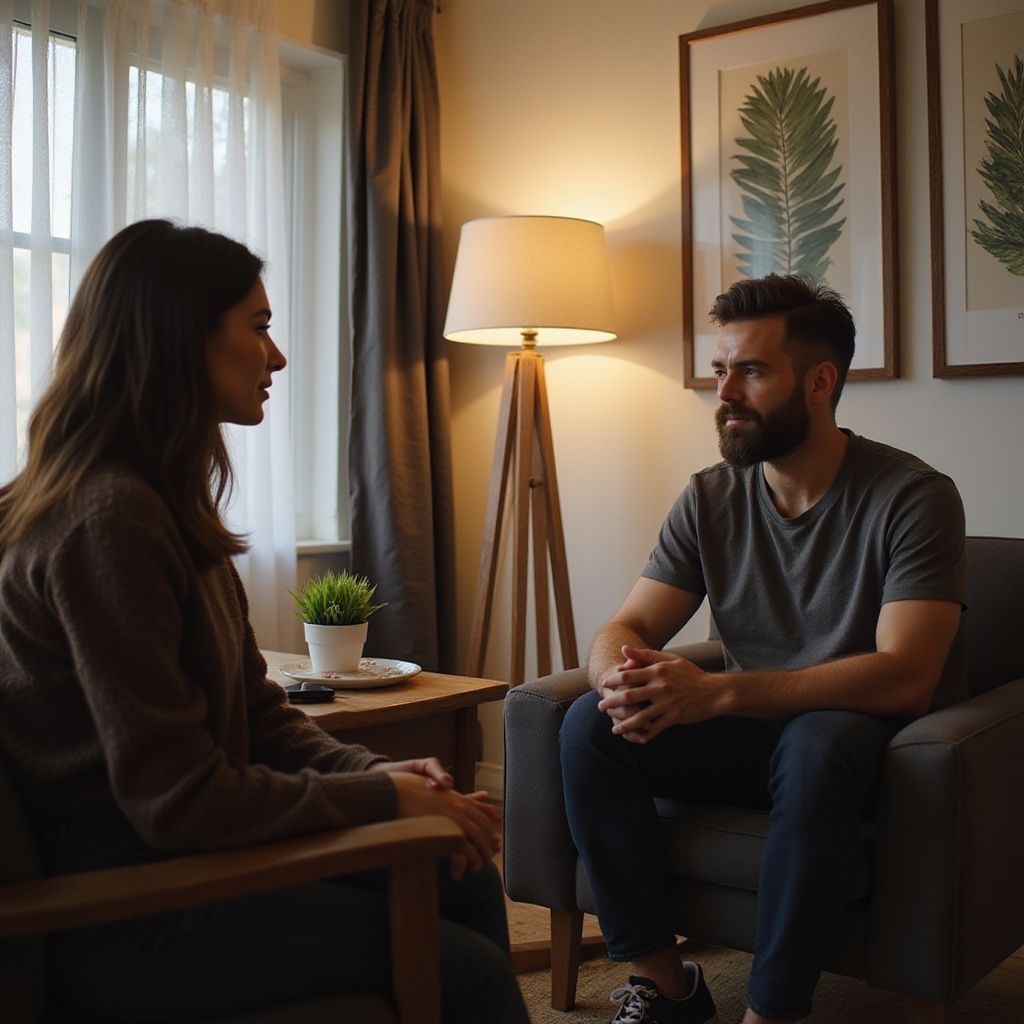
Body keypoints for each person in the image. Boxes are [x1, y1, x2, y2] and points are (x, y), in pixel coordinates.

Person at [0, 219, 530, 1024]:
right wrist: (382, 804)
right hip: (127, 900)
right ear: (182, 341)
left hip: (182, 858)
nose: (277, 357)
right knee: (470, 975)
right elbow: (175, 800)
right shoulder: (107, 522)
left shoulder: (163, 504)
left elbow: (258, 715)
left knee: (456, 874)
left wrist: (376, 774)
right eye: (259, 328)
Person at [559, 275, 966, 1024]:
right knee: (589, 722)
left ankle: (772, 1012)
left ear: (819, 381)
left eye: (750, 371)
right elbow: (627, 626)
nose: (725, 394)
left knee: (818, 742)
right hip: (749, 736)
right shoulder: (711, 496)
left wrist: (719, 692)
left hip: (863, 742)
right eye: (721, 371)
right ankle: (666, 987)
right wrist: (619, 680)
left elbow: (906, 676)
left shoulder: (912, 496)